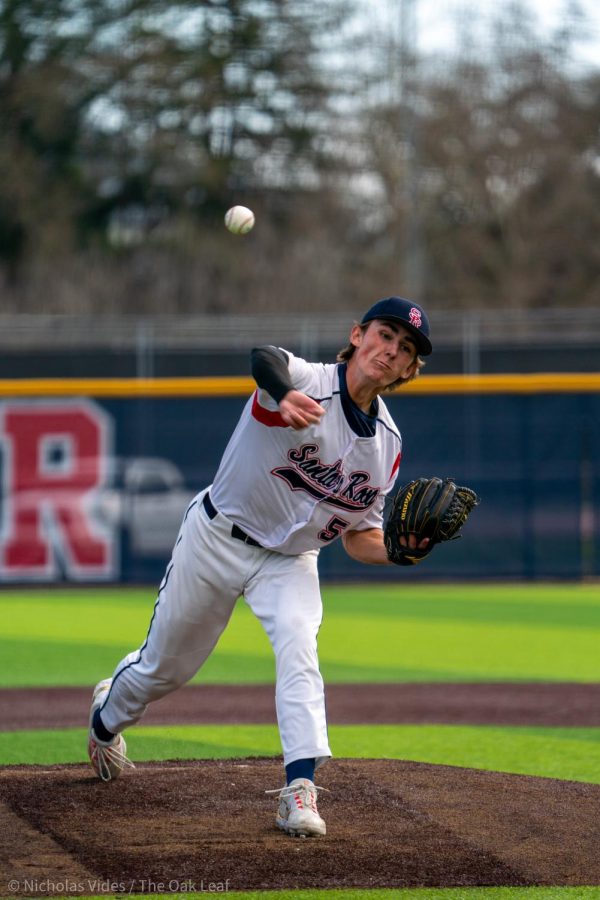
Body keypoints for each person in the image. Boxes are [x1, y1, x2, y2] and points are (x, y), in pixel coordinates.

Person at [87, 295, 433, 837]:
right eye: (385, 335)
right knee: (166, 668)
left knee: (300, 649)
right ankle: (106, 718)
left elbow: (360, 537)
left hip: (291, 560)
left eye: (406, 348)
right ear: (358, 334)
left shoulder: (386, 446)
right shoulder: (305, 378)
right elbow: (262, 356)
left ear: (411, 369)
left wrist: (401, 551)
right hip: (217, 535)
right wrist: (284, 392)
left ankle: (300, 790)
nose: (391, 350)